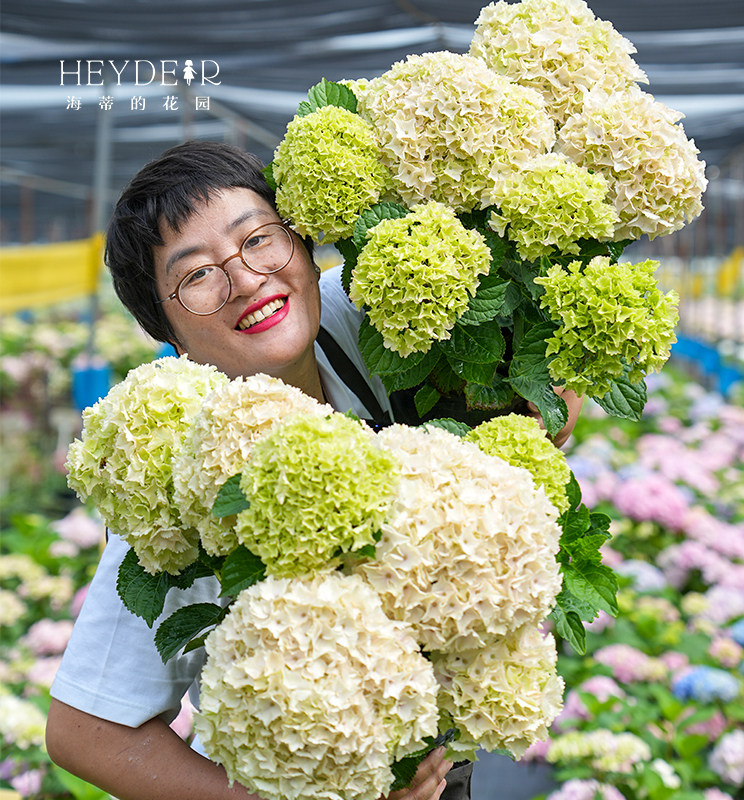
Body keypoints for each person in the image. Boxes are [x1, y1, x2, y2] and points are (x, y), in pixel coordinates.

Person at [46, 141, 582, 800]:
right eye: (197, 275)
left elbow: (516, 322)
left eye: (259, 239)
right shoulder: (192, 490)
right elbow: (82, 730)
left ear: (303, 245)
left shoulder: (365, 315)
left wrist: (544, 386)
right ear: (168, 334)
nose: (245, 278)